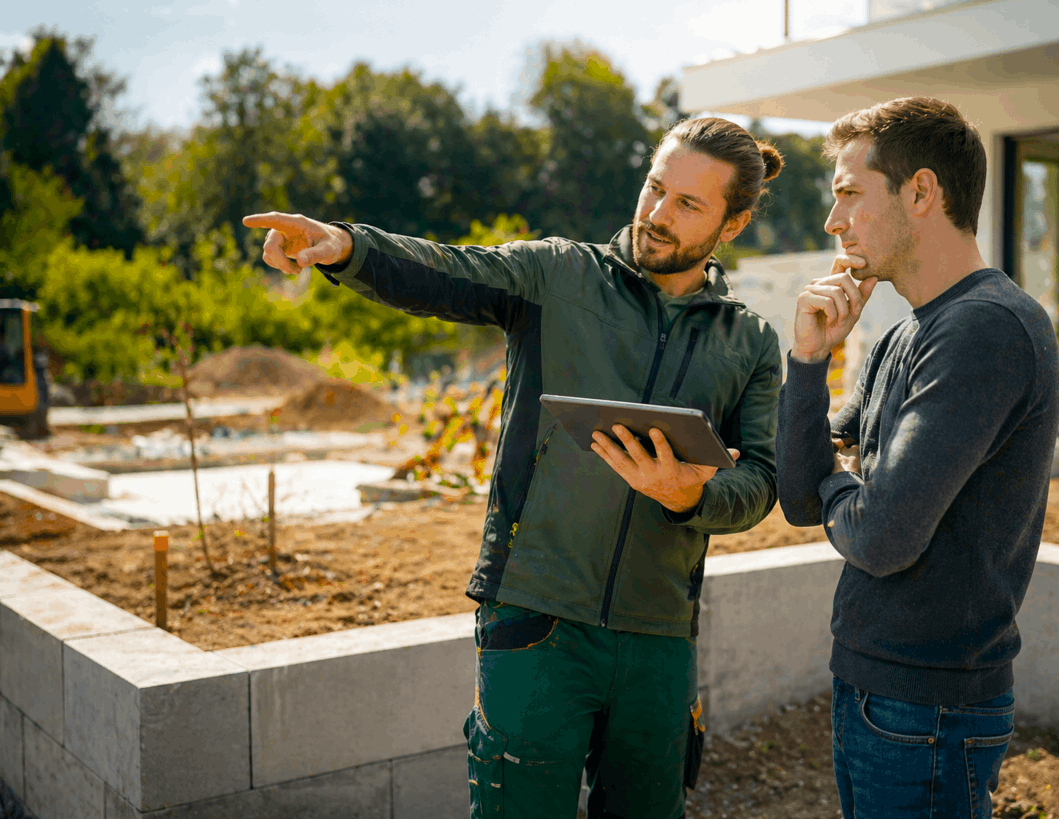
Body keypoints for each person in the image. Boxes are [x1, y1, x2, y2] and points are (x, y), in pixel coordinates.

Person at [244, 116, 785, 819]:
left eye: (687, 204)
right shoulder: (557, 274)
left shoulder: (748, 340)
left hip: (658, 641)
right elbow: (446, 270)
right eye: (655, 188)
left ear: (732, 224)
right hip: (536, 622)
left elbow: (760, 480)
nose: (656, 214)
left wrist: (690, 495)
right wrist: (347, 246)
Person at [774, 97, 1059, 819]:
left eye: (849, 193)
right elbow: (802, 498)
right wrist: (808, 361)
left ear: (922, 192)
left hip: (929, 709)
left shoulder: (986, 329)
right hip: (875, 687)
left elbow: (880, 535)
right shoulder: (905, 335)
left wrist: (842, 482)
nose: (833, 221)